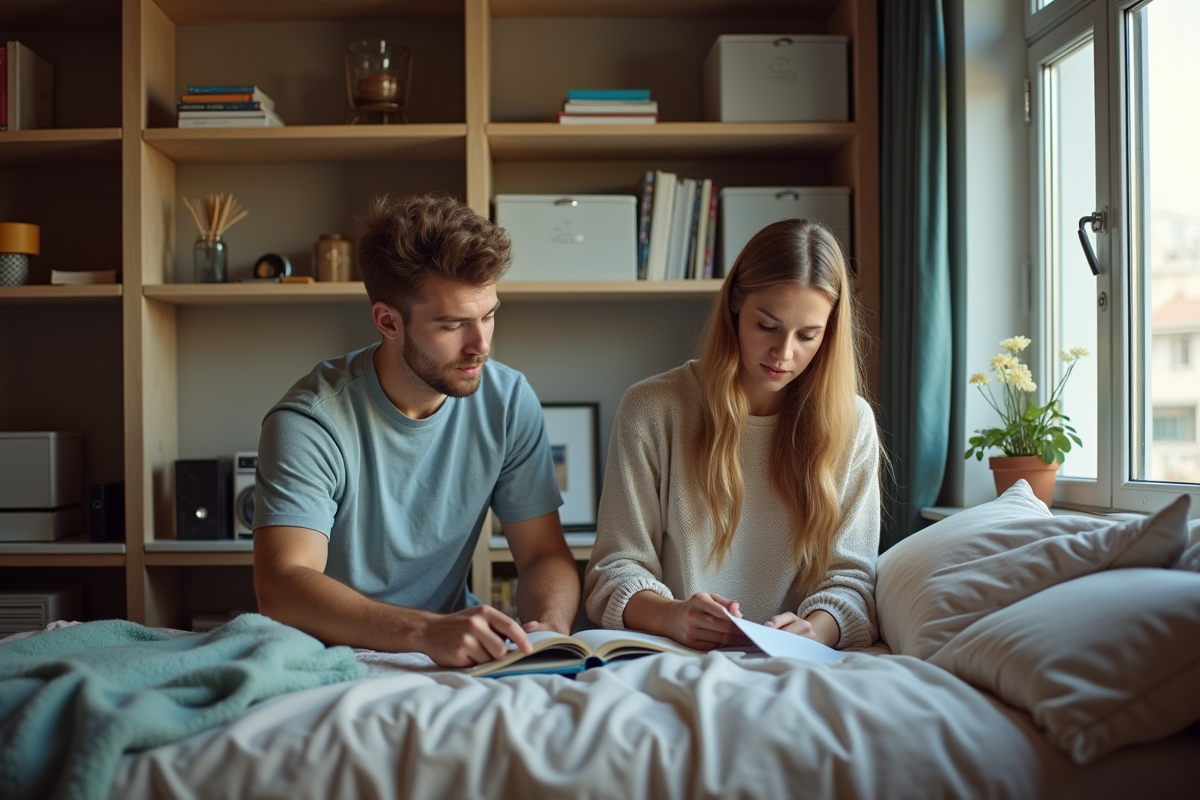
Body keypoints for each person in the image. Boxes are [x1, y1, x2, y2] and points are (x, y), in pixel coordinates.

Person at [253, 193, 580, 668]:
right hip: (331, 657)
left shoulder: (508, 400)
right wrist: (424, 632)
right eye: (453, 325)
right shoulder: (310, 422)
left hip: (450, 656)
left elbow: (542, 555)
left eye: (489, 315)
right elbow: (282, 584)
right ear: (388, 321)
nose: (481, 345)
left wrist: (548, 628)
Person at [584, 218, 882, 651]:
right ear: (736, 302)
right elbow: (614, 571)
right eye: (767, 326)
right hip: (676, 655)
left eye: (807, 335)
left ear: (830, 331)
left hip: (795, 661)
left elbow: (853, 580)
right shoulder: (651, 409)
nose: (783, 353)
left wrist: (816, 630)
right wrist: (671, 616)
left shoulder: (852, 424)